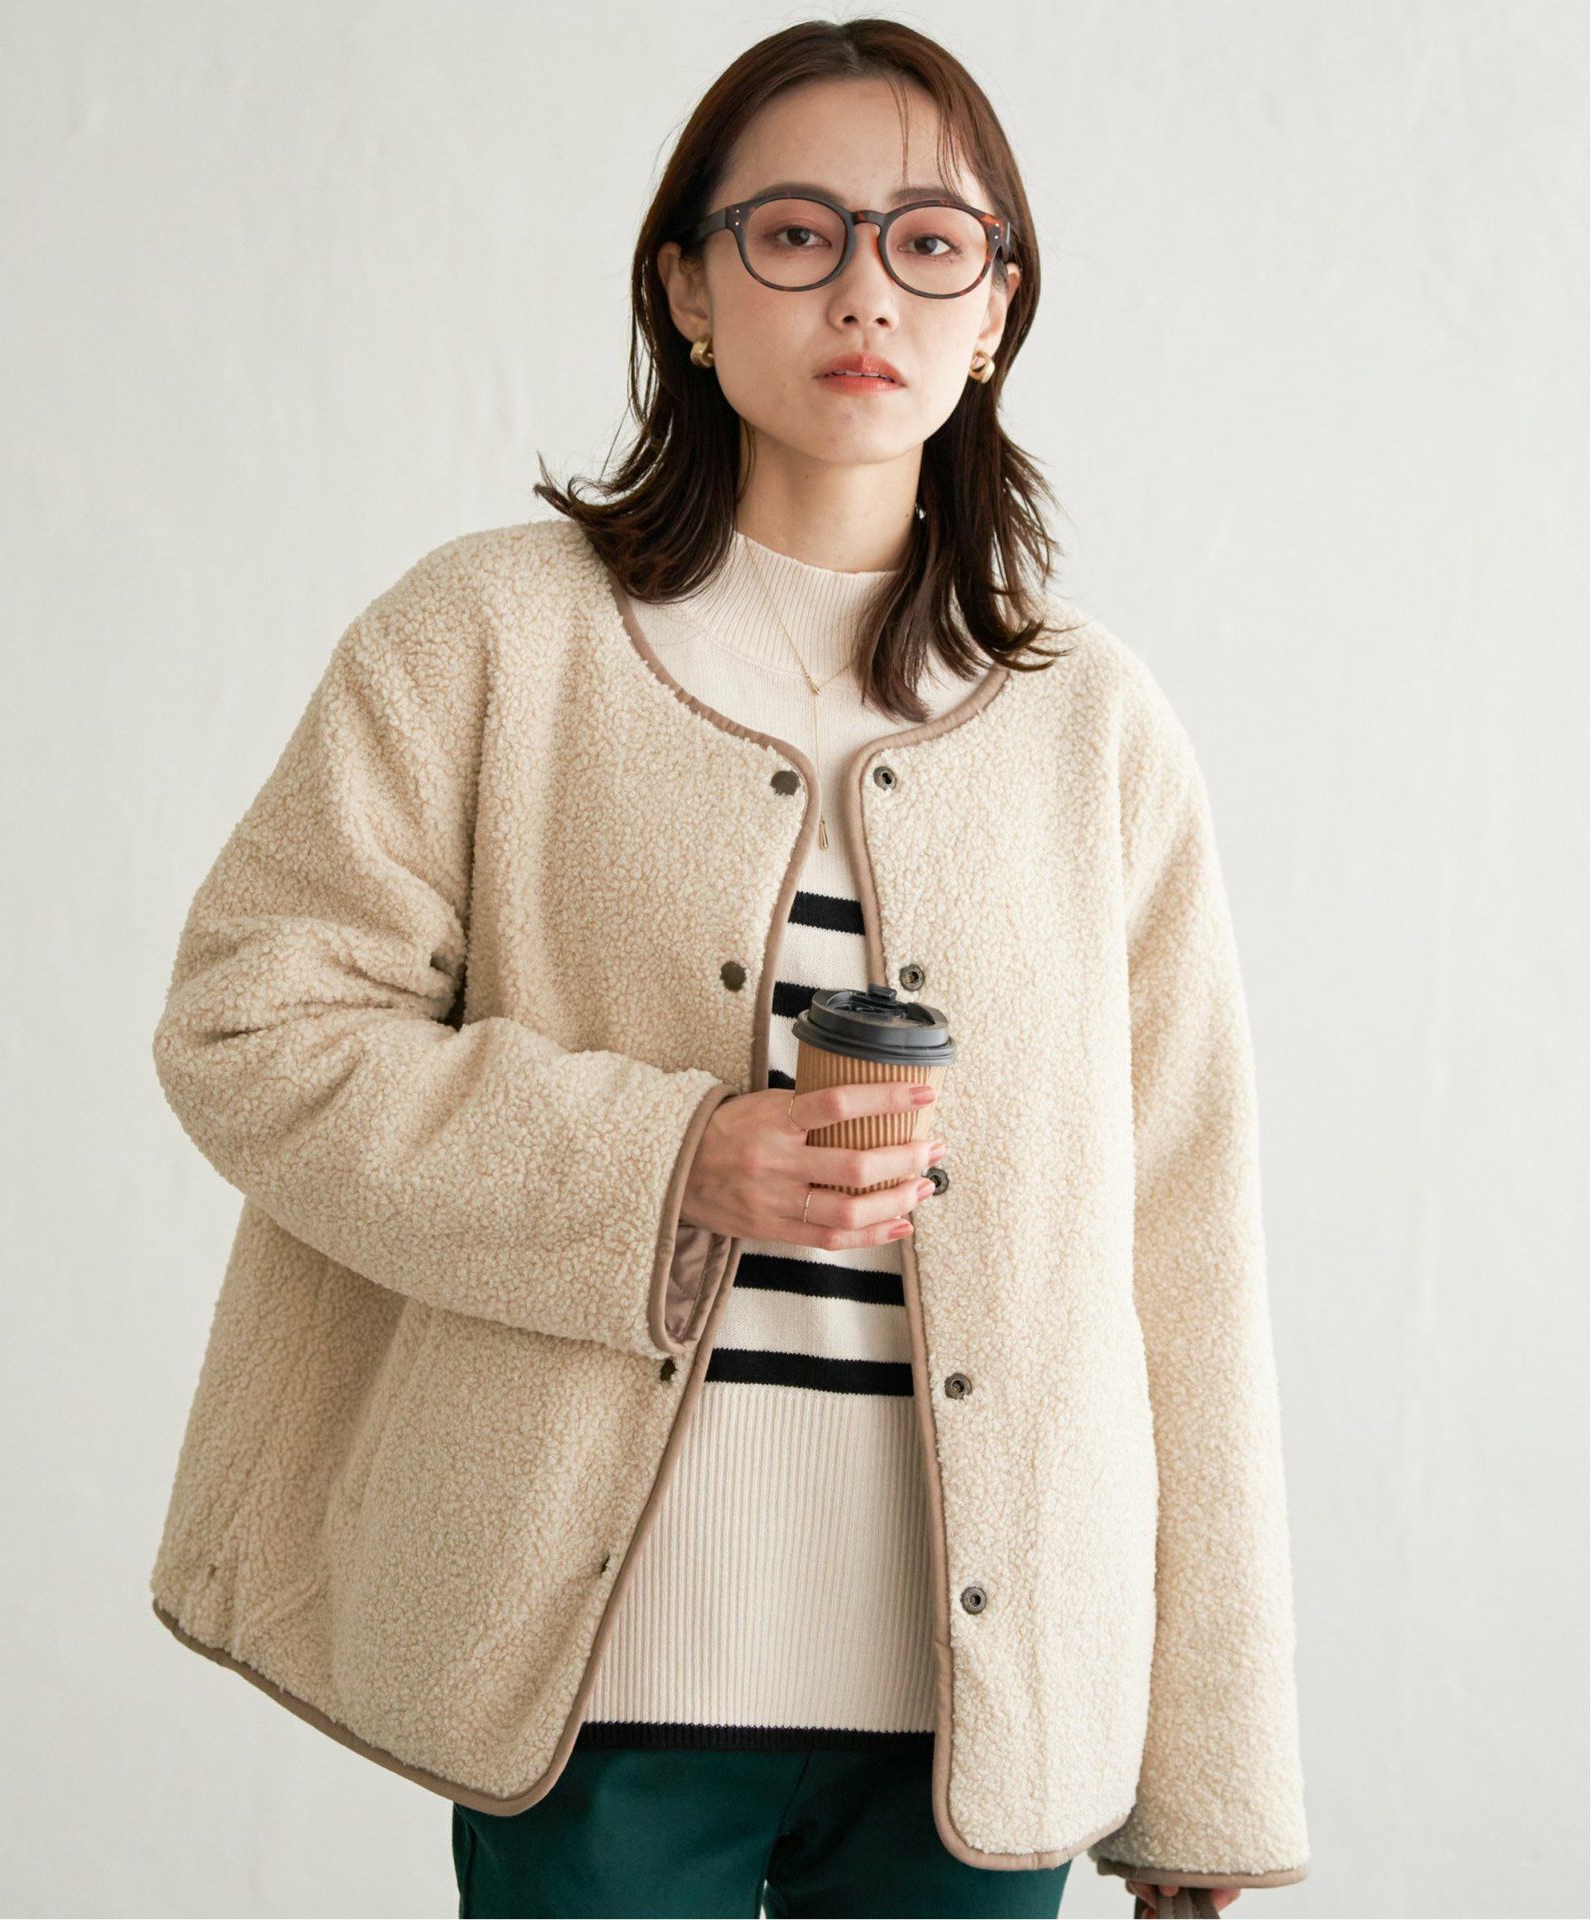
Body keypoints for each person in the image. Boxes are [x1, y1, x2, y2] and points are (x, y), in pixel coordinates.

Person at [148, 19, 1308, 1920]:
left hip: (985, 1720)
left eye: (931, 240)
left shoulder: (1093, 727)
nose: (866, 289)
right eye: (794, 232)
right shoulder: (490, 638)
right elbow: (249, 1027)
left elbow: (1185, 1249)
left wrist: (1205, 1779)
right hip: (597, 1684)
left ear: (998, 309)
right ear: (687, 288)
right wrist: (670, 1160)